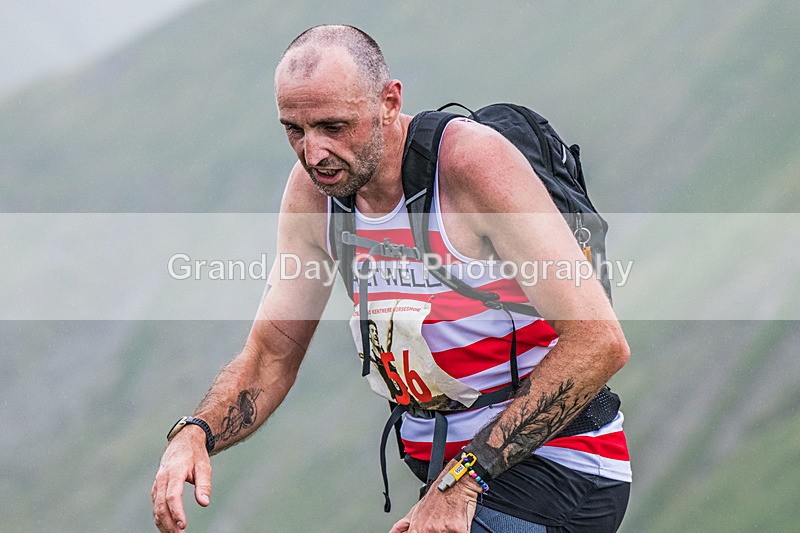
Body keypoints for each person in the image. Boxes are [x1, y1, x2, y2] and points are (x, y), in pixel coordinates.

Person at [152, 24, 631, 533]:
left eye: (333, 126)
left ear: (389, 100)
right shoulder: (315, 196)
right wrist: (195, 433)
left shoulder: (470, 165)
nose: (313, 153)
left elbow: (599, 342)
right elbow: (271, 353)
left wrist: (463, 480)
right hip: (457, 477)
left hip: (562, 466)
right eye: (294, 129)